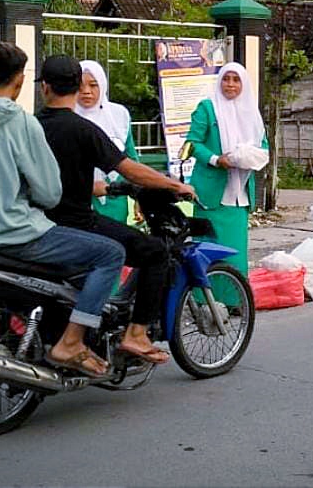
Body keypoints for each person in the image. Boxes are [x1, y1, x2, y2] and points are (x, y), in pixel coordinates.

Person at [0, 42, 123, 378]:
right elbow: (50, 194)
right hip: (21, 236)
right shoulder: (23, 124)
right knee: (109, 254)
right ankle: (72, 342)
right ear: (21, 81)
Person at [36, 55, 195, 365]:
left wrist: (108, 188)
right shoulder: (84, 130)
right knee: (155, 252)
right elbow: (130, 168)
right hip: (78, 222)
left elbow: (67, 179)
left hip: (39, 222)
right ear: (75, 87)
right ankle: (136, 333)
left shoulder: (31, 126)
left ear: (45, 87)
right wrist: (174, 185)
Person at [186, 63, 268, 276]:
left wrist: (251, 157)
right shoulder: (207, 107)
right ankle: (205, 302)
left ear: (243, 84)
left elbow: (263, 146)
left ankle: (235, 302)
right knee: (209, 249)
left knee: (235, 252)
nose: (230, 84)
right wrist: (215, 159)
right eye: (226, 78)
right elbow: (192, 143)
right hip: (211, 192)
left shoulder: (251, 114)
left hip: (239, 194)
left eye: (236, 79)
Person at [76, 60, 140, 225]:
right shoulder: (68, 117)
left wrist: (140, 194)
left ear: (103, 85)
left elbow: (130, 157)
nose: (86, 92)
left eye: (93, 85)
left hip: (114, 199)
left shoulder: (119, 115)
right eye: (80, 86)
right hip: (77, 202)